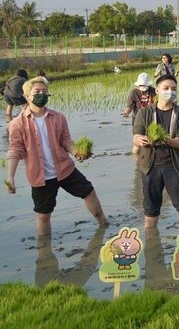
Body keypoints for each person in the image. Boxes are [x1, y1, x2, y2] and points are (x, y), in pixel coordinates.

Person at [6, 76, 108, 236]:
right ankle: (44, 252)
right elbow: (15, 151)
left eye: (44, 91)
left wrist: (76, 153)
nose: (42, 94)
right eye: (37, 91)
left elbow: (66, 140)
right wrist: (10, 178)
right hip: (40, 177)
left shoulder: (58, 117)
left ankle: (103, 224)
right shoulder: (17, 124)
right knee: (43, 215)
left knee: (89, 192)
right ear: (27, 96)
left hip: (65, 169)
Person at [133, 74, 179, 230]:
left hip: (174, 166)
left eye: (173, 89)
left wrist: (163, 138)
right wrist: (140, 140)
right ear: (157, 90)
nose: (170, 91)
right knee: (150, 207)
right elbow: (136, 135)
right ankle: (152, 240)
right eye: (166, 88)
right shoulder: (144, 113)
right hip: (150, 167)